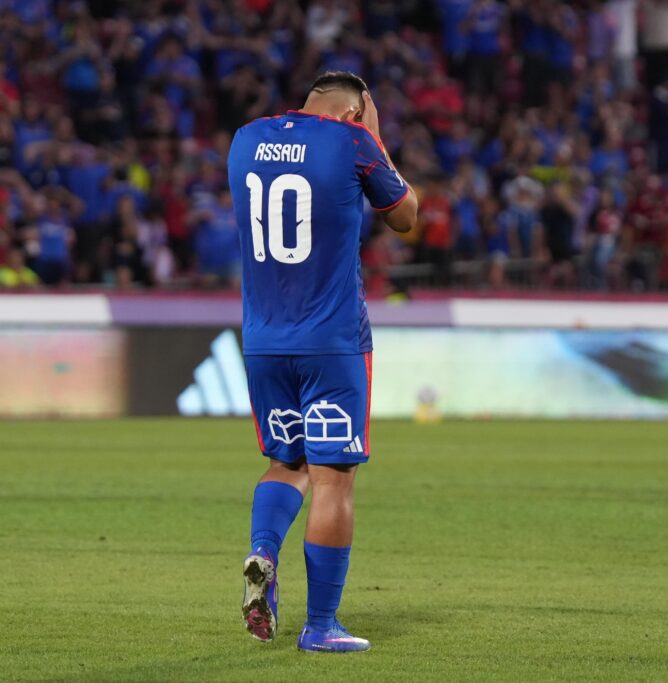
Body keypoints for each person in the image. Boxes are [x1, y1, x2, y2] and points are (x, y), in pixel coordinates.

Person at [227, 71, 417, 653]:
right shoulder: (353, 140)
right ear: (356, 111)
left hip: (263, 340)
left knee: (287, 464)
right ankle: (320, 625)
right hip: (331, 341)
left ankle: (263, 551)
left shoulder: (245, 139)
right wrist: (375, 138)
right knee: (334, 478)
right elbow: (406, 215)